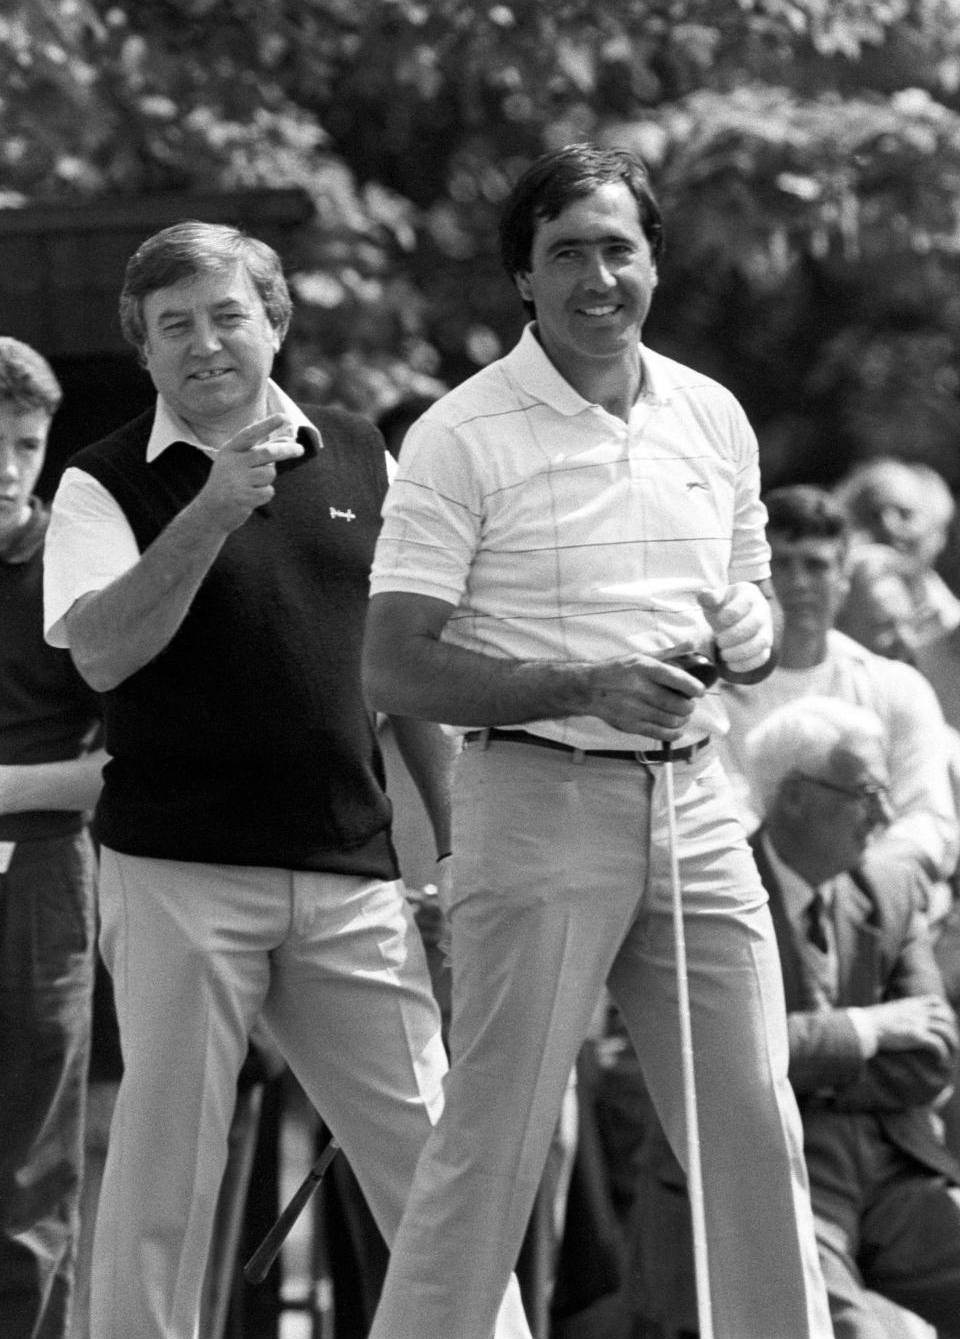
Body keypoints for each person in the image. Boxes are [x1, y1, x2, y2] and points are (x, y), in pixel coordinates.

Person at [362, 142, 832, 1339]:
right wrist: (584, 682)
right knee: (493, 1147)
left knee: (755, 1130)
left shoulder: (712, 417)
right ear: (522, 276)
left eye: (618, 248)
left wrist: (754, 628)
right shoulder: (459, 435)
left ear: (654, 263)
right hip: (536, 803)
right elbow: (395, 664)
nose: (596, 278)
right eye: (564, 252)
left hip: (700, 811)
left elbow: (758, 620)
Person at [42, 221, 531, 1339]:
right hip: (177, 876)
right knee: (163, 1181)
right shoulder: (98, 484)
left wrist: (460, 855)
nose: (206, 346)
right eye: (175, 328)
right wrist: (212, 506)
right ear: (144, 349)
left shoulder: (369, 456)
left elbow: (408, 678)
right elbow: (103, 653)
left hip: (352, 879)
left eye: (227, 317)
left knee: (435, 1164)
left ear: (275, 322)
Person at [746, 695, 960, 1339]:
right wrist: (868, 1031)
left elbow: (933, 1054)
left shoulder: (889, 888)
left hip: (892, 1163)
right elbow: (733, 1053)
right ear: (794, 797)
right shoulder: (719, 898)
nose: (886, 816)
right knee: (845, 1330)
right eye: (865, 793)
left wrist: (806, 1068)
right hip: (778, 1170)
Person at [0, 338, 105, 1338]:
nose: (6, 469)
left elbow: (129, 767)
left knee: (30, 1175)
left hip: (39, 872)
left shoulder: (77, 566)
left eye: (25, 445)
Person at [717, 485, 958, 908]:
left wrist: (855, 889)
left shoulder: (897, 686)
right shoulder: (716, 696)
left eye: (816, 565)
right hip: (759, 902)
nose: (797, 583)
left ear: (844, 580)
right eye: (779, 566)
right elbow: (729, 816)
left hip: (881, 904)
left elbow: (928, 819)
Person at [835, 458, 960, 647]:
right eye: (872, 515)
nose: (888, 527)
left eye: (905, 514)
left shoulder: (952, 624)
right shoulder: (827, 617)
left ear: (938, 531)